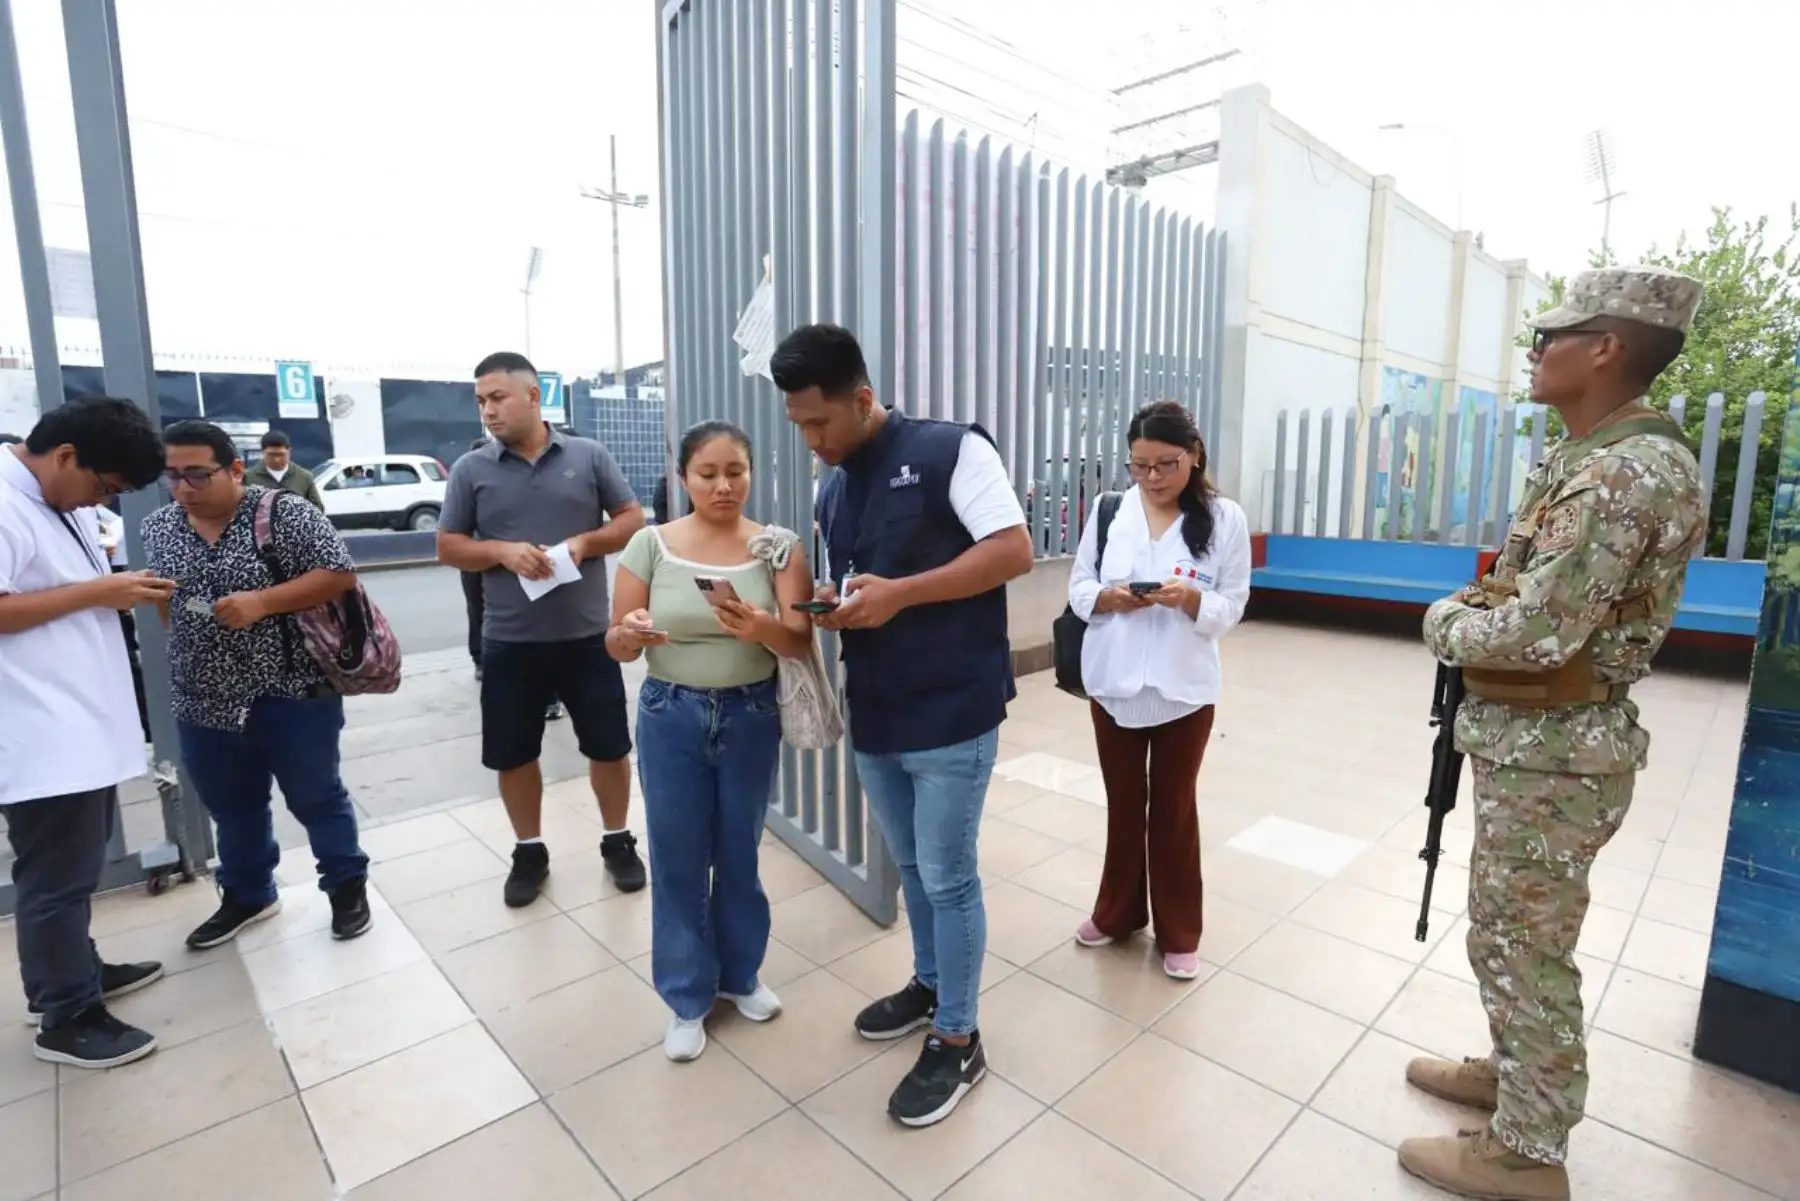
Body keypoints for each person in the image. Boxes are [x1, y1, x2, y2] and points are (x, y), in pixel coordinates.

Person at [1403, 265, 1707, 1201]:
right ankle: (1514, 1079)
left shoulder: (1619, 470)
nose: (1535, 351)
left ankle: (1527, 1152)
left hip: (1556, 749)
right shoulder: (1597, 451)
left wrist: (1441, 621)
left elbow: (1536, 630)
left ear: (1607, 346)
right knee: (1506, 932)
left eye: (1553, 335)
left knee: (1525, 942)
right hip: (1541, 744)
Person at [774, 323, 1034, 1128]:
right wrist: (822, 599)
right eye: (798, 426)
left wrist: (899, 593)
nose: (812, 441)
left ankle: (959, 1038)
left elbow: (1014, 551)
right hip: (877, 707)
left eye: (820, 422)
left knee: (950, 875)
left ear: (861, 397)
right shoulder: (832, 488)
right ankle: (930, 984)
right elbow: (863, 582)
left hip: (952, 707)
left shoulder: (953, 450)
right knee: (916, 869)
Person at [607, 420, 816, 1062]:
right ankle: (686, 996)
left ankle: (740, 976)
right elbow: (614, 641)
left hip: (751, 713)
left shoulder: (777, 547)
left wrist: (759, 626)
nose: (724, 486)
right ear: (684, 477)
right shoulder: (651, 545)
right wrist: (633, 632)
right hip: (671, 713)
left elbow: (800, 640)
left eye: (736, 472)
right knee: (676, 857)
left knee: (740, 852)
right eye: (708, 474)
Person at [140, 420, 374, 949]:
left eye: (197, 474)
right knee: (231, 804)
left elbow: (339, 573)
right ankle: (248, 893)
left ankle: (346, 885)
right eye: (171, 476)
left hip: (292, 690)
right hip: (203, 697)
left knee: (317, 796)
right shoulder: (159, 527)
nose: (183, 488)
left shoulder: (284, 512)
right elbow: (165, 598)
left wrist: (262, 602)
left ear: (235, 469)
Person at [437, 351, 648, 907]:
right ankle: (529, 849)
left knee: (608, 748)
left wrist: (585, 542)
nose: (488, 410)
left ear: (533, 396)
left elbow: (632, 521)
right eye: (481, 400)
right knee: (513, 754)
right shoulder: (471, 470)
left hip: (586, 637)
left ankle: (617, 839)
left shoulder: (588, 455)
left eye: (498, 397)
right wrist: (501, 551)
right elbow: (448, 545)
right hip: (509, 641)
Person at [0, 397, 169, 1068]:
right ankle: (65, 1012)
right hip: (40, 733)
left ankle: (81, 969)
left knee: (76, 864)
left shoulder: (49, 499)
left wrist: (112, 582)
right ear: (66, 455)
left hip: (75, 726)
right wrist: (100, 592)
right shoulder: (5, 501)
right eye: (104, 486)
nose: (101, 500)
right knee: (54, 877)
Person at [1067, 400, 1251, 980]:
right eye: (1140, 465)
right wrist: (1109, 598)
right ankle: (1118, 913)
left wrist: (1192, 599)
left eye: (1165, 465)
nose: (1152, 478)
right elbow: (1079, 587)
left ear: (1194, 456)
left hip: (1183, 691)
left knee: (1173, 810)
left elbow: (1235, 603)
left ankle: (1179, 931)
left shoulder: (1225, 520)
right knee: (1124, 805)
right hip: (1114, 683)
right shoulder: (1109, 510)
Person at [242, 430, 324, 510]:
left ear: (289, 451)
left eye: (281, 454)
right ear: (263, 452)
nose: (277, 459)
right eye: (272, 455)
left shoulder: (304, 477)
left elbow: (318, 509)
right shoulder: (248, 477)